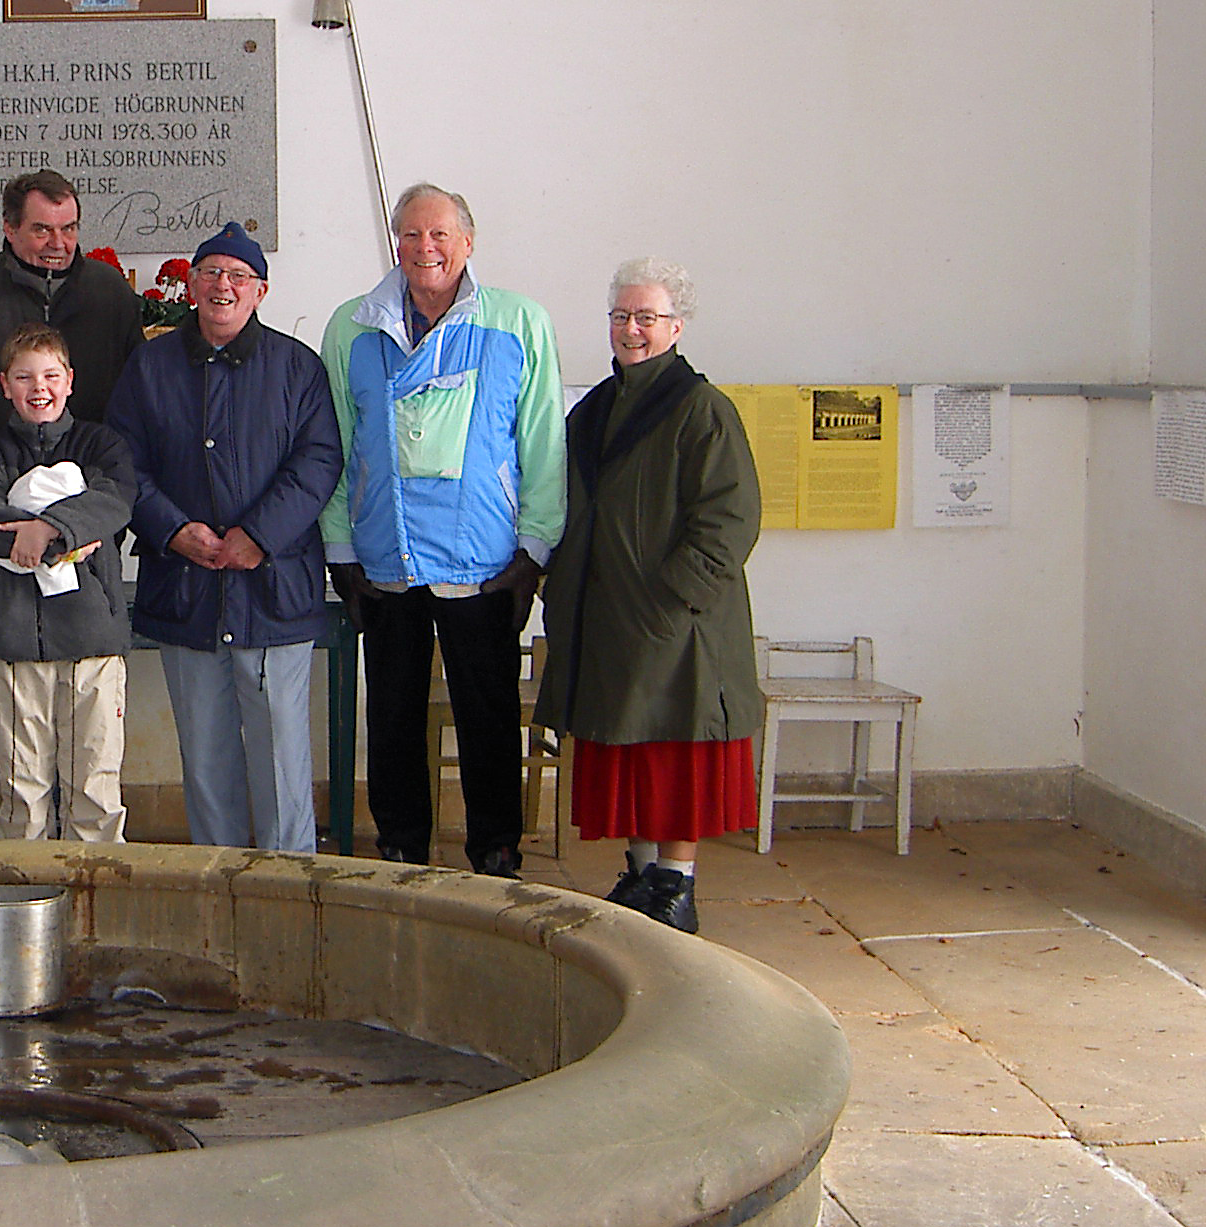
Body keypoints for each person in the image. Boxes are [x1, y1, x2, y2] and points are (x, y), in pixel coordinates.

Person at [320, 185, 566, 877]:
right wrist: (340, 550)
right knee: (391, 713)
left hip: (483, 558)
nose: (424, 248)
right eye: (409, 235)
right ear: (393, 242)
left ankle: (496, 849)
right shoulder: (350, 327)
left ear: (468, 241)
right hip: (383, 554)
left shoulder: (520, 322)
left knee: (485, 713)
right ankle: (399, 846)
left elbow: (543, 442)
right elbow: (335, 445)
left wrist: (533, 553)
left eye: (438, 235)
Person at [532, 259, 763, 933]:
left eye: (647, 318)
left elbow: (731, 515)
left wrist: (674, 597)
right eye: (621, 317)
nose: (632, 331)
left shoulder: (700, 409)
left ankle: (676, 882)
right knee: (624, 747)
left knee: (673, 749)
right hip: (606, 616)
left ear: (676, 327)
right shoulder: (595, 410)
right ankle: (638, 873)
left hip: (673, 623)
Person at [0, 169, 143, 838]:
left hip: (87, 555)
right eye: (42, 229)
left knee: (83, 711)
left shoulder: (108, 296)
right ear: (8, 226)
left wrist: (82, 522)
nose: (57, 243)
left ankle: (85, 842)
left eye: (69, 229)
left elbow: (131, 411)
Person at [105, 222, 342, 854]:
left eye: (239, 276)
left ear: (260, 291)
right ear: (189, 283)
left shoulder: (298, 367)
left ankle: (288, 885)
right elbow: (124, 461)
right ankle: (216, 879)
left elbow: (318, 461)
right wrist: (173, 529)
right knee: (205, 756)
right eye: (211, 272)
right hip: (185, 589)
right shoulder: (150, 366)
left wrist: (258, 535)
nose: (224, 286)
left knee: (281, 757)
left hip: (272, 593)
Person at [0, 322, 137, 842]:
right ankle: (24, 902)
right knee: (22, 790)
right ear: (4, 384)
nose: (39, 388)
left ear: (70, 380)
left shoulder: (101, 444)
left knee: (95, 787)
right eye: (24, 377)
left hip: (91, 641)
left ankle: (96, 897)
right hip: (12, 638)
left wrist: (48, 528)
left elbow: (114, 501)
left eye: (51, 375)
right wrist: (41, 533)